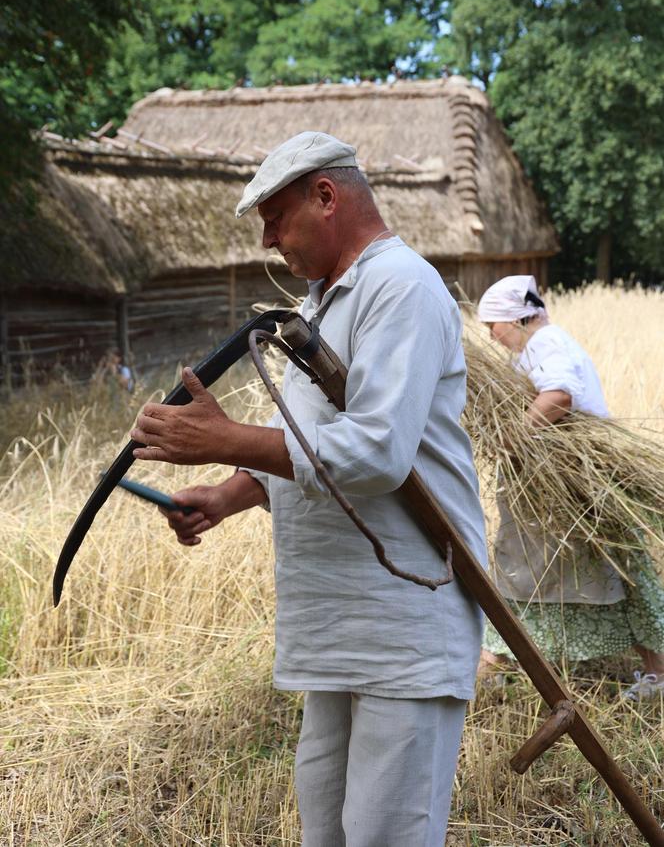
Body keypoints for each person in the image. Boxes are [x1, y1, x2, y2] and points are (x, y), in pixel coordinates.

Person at [130, 131, 488, 845]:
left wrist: (225, 438)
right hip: (342, 622)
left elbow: (377, 452)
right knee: (326, 829)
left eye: (274, 216)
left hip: (406, 621)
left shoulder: (400, 286)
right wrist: (231, 492)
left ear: (326, 197)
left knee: (388, 834)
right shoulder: (324, 303)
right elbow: (301, 437)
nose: (267, 240)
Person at [477, 275, 664, 699]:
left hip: (576, 487)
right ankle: (497, 658)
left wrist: (513, 436)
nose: (491, 335)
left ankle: (658, 671)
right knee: (534, 566)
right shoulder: (537, 344)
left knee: (605, 568)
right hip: (555, 487)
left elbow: (559, 395)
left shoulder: (546, 342)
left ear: (517, 318)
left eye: (494, 324)